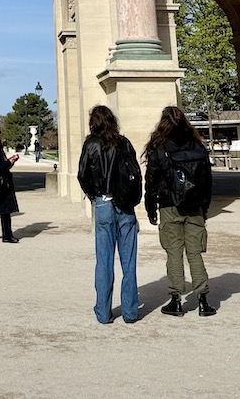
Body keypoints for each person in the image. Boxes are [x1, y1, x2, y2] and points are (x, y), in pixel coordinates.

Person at [143, 105, 216, 317]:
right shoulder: (197, 146)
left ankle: (176, 300)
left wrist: (150, 208)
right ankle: (203, 299)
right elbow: (207, 181)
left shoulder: (159, 147)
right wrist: (205, 206)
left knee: (173, 253)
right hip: (194, 205)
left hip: (169, 205)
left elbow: (151, 182)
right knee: (195, 253)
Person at [77, 105, 140, 325]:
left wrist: (93, 195)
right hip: (125, 206)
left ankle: (103, 312)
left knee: (103, 261)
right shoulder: (124, 143)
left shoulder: (91, 144)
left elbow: (82, 175)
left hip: (103, 202)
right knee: (129, 261)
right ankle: (131, 311)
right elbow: (136, 173)